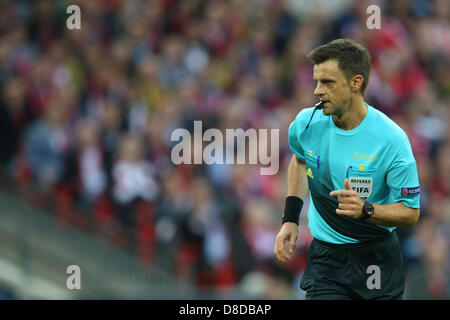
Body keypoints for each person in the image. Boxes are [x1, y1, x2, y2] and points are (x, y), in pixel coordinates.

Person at [274, 39, 421, 300]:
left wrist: (366, 210)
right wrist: (290, 219)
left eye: (328, 82)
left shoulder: (390, 140)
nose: (318, 91)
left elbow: (410, 212)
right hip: (327, 261)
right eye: (316, 81)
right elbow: (299, 160)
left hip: (376, 259)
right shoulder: (305, 124)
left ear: (355, 83)